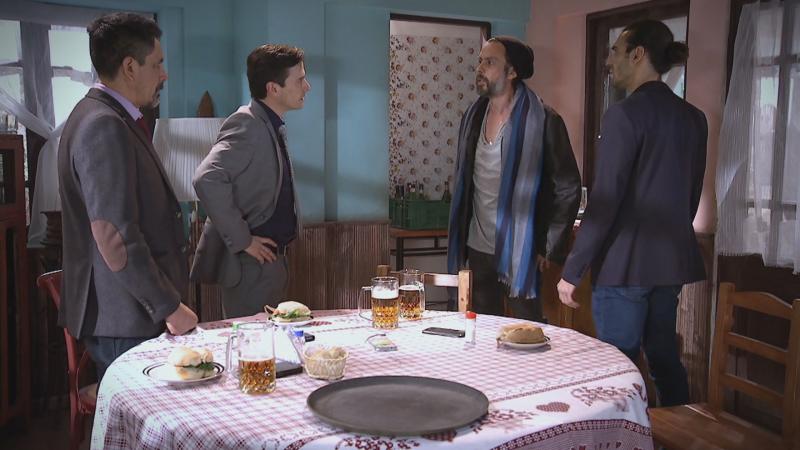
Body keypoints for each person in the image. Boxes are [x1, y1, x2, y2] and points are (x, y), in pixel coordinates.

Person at [557, 20, 707, 407]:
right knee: (664, 360)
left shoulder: (623, 115)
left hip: (624, 265)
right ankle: (675, 432)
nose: (609, 61)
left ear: (638, 54)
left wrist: (573, 270)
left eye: (615, 51)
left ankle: (621, 434)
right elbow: (690, 197)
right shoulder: (694, 117)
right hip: (670, 264)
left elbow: (605, 201)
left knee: (617, 365)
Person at [58, 12, 197, 380]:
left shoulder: (103, 116)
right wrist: (169, 307)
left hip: (129, 316)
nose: (164, 75)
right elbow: (114, 236)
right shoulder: (103, 124)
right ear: (130, 67)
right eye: (158, 64)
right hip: (128, 318)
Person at [447, 36, 581, 322]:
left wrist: (549, 246)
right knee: (481, 328)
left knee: (526, 330)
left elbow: (568, 187)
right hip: (478, 246)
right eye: (480, 61)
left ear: (512, 72)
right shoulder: (473, 117)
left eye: (490, 62)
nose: (480, 68)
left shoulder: (544, 120)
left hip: (522, 248)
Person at [191, 44, 310, 318]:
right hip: (251, 266)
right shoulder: (247, 124)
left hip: (271, 262)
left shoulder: (269, 123)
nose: (307, 87)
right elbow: (206, 178)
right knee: (253, 343)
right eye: (300, 80)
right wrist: (243, 240)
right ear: (273, 88)